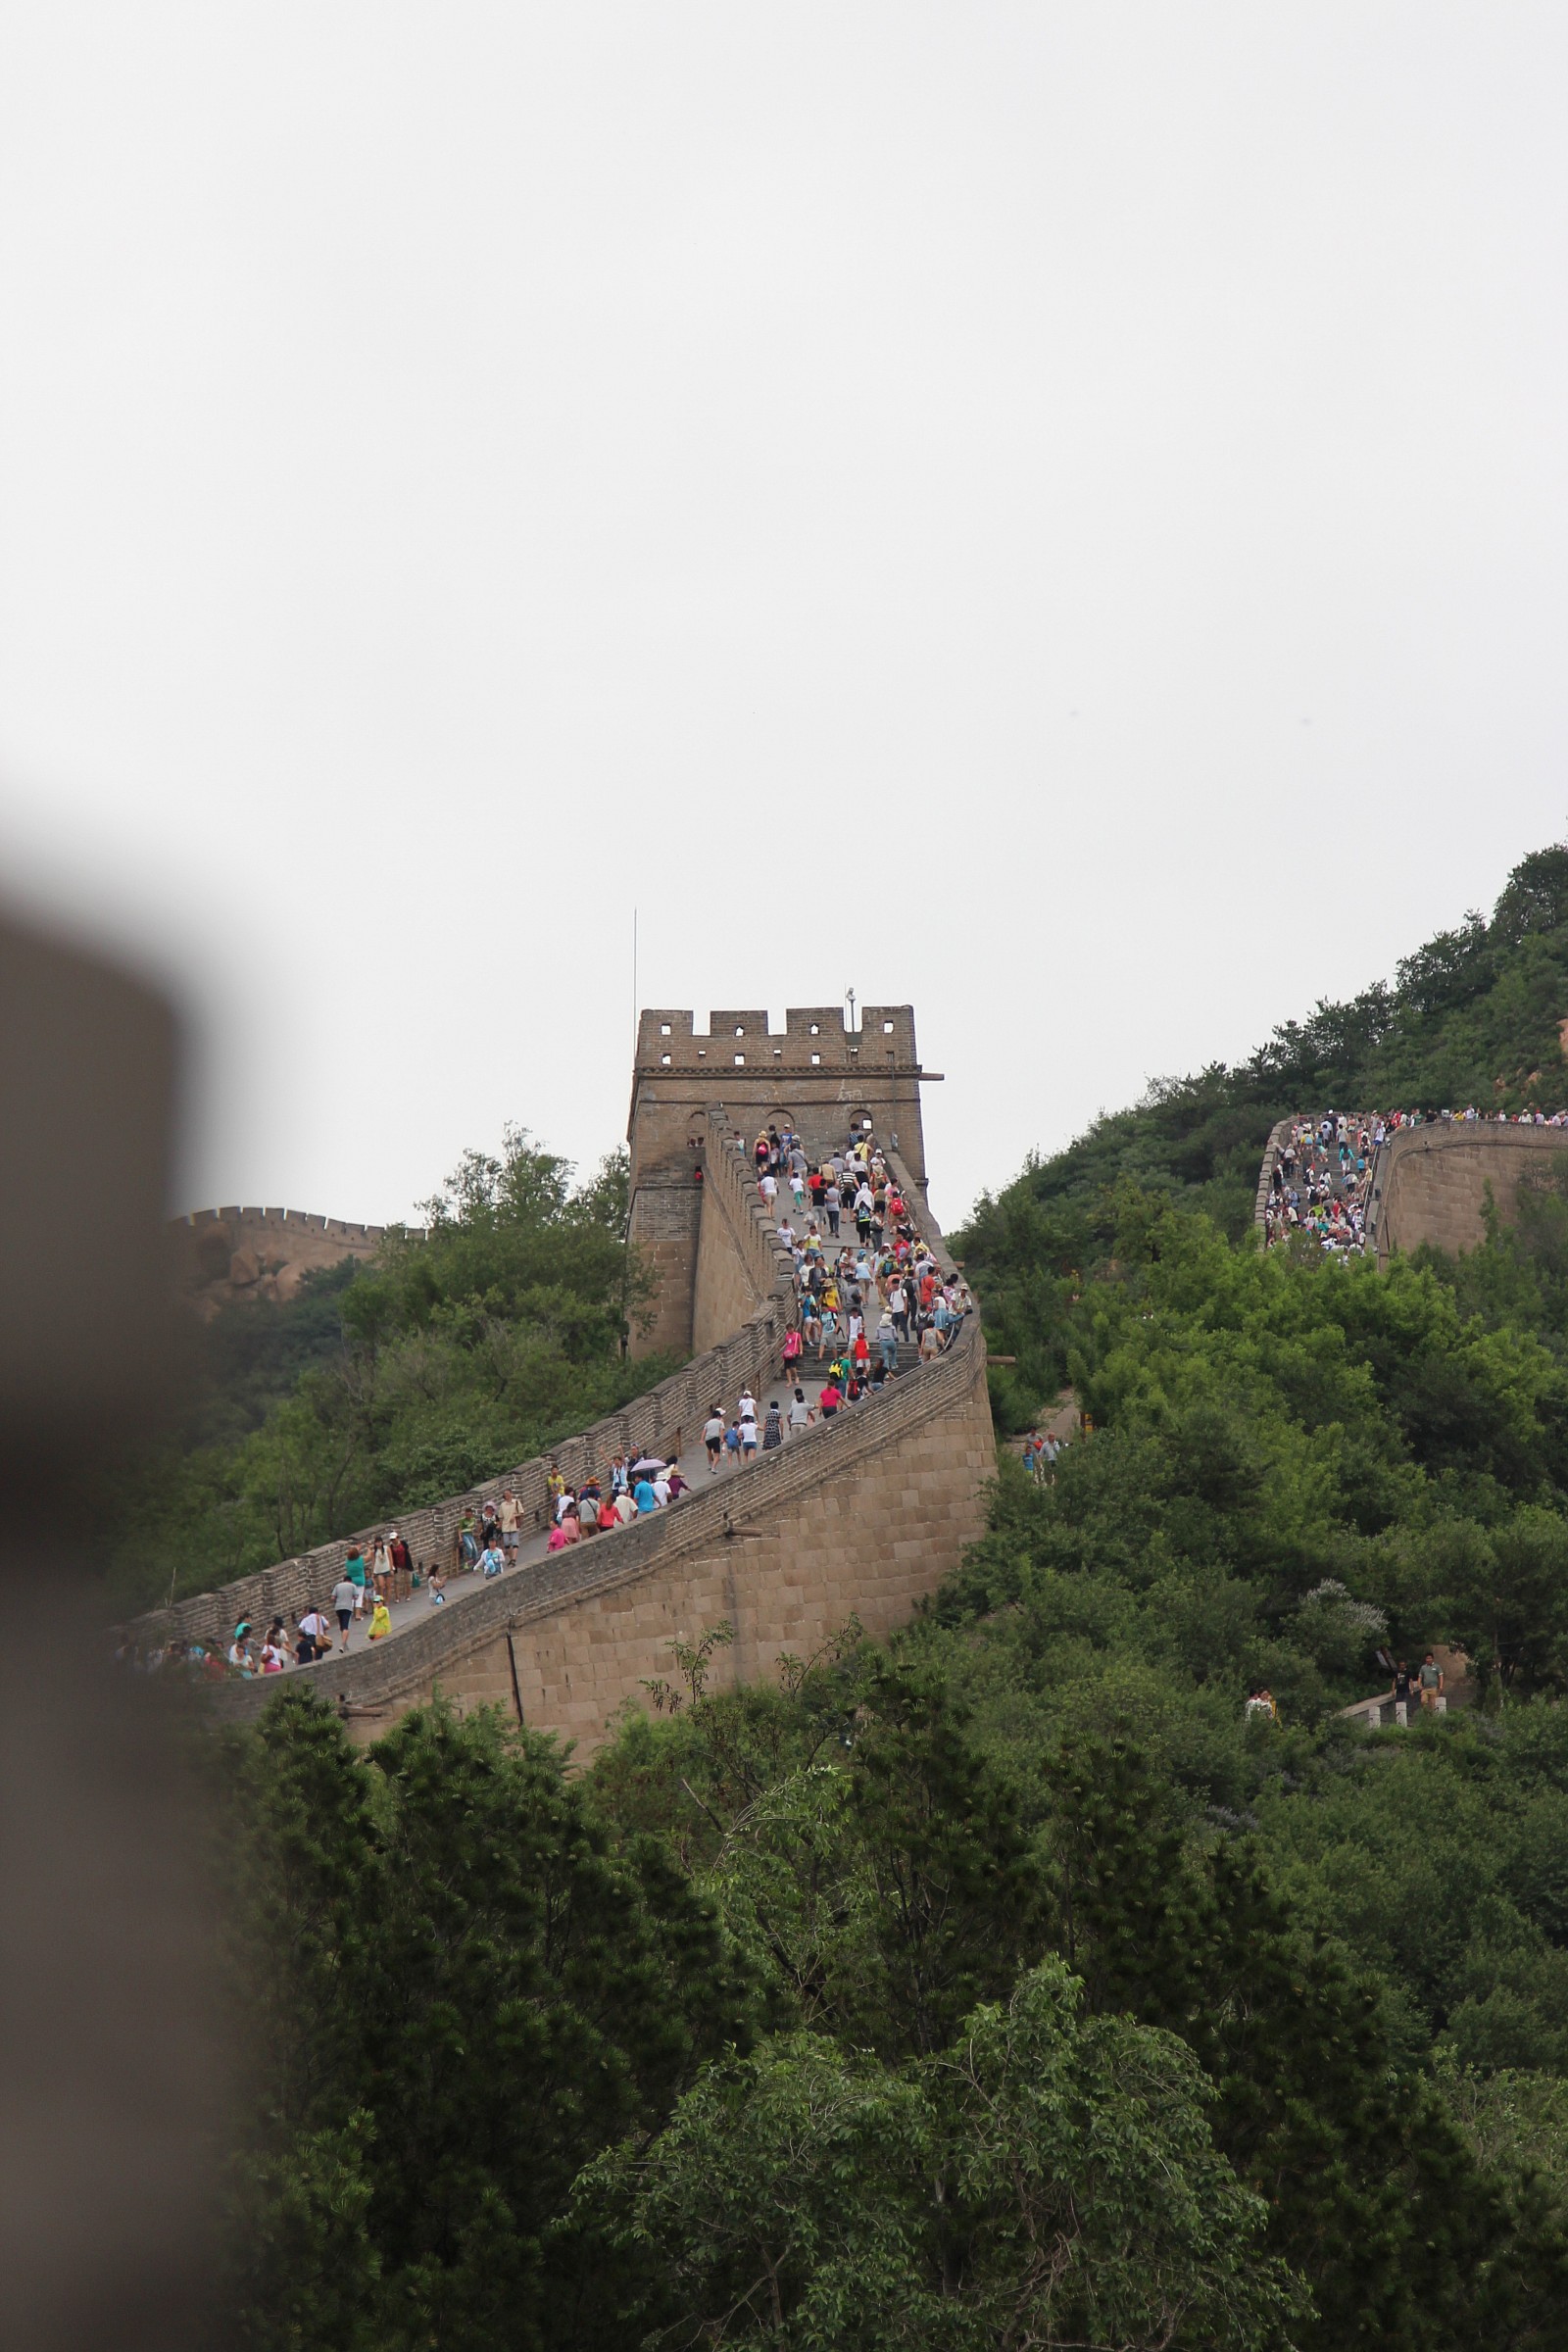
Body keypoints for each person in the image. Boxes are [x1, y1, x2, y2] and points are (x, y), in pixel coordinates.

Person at [331, 1571, 358, 1648]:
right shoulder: (352, 1586)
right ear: (350, 1580)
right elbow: (356, 1597)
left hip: (338, 1607)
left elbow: (333, 1597)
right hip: (347, 1607)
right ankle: (343, 1645)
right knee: (346, 1626)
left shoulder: (337, 1586)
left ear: (343, 1580)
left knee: (342, 1626)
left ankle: (345, 1642)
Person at [498, 1490, 522, 1557]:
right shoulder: (502, 1505)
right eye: (505, 1494)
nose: (507, 1495)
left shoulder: (516, 1502)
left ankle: (514, 1559)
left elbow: (521, 1512)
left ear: (511, 1494)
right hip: (505, 1526)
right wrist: (500, 1525)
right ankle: (511, 1559)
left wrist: (514, 1516)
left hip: (514, 1525)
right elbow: (500, 1516)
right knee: (506, 1544)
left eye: (508, 1494)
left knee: (515, 1543)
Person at [704, 1405, 726, 1472]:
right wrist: (722, 1438)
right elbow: (722, 1430)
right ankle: (713, 1467)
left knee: (709, 1450)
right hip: (716, 1437)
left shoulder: (709, 1422)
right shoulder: (720, 1421)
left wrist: (702, 1439)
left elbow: (705, 1430)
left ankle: (710, 1463)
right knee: (717, 1453)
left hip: (708, 1438)